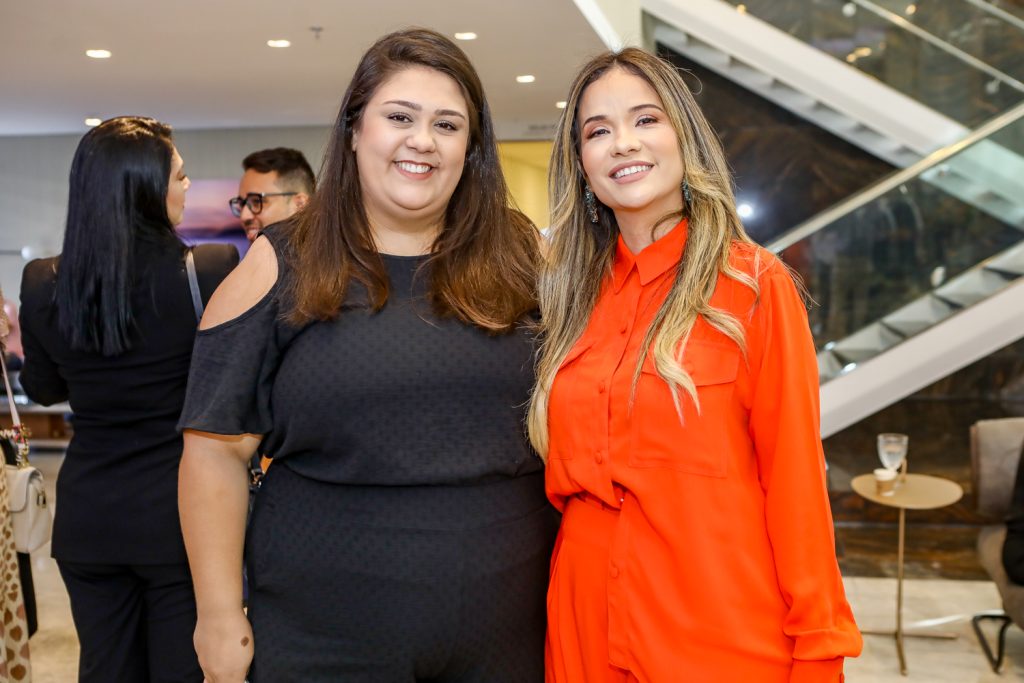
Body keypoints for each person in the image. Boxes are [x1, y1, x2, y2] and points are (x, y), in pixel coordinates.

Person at [178, 29, 553, 683]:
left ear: (472, 148)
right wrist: (217, 615)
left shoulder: (523, 256)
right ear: (354, 131)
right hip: (323, 634)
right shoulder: (281, 259)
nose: (423, 140)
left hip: (513, 628)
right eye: (399, 116)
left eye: (447, 124)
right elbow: (215, 447)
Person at [528, 48, 862, 682]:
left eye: (646, 120)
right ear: (580, 163)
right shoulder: (567, 299)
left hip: (714, 629)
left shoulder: (754, 284)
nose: (623, 143)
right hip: (581, 625)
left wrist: (819, 652)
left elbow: (796, 484)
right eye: (598, 131)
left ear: (683, 135)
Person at [18, 116, 239, 683]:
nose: (188, 187)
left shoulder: (44, 280)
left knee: (104, 670)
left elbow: (45, 390)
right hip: (182, 514)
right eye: (182, 177)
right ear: (145, 189)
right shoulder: (208, 270)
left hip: (90, 517)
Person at [230, 147, 315, 242]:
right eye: (242, 204)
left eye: (257, 202)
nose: (244, 216)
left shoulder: (328, 255)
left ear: (300, 205)